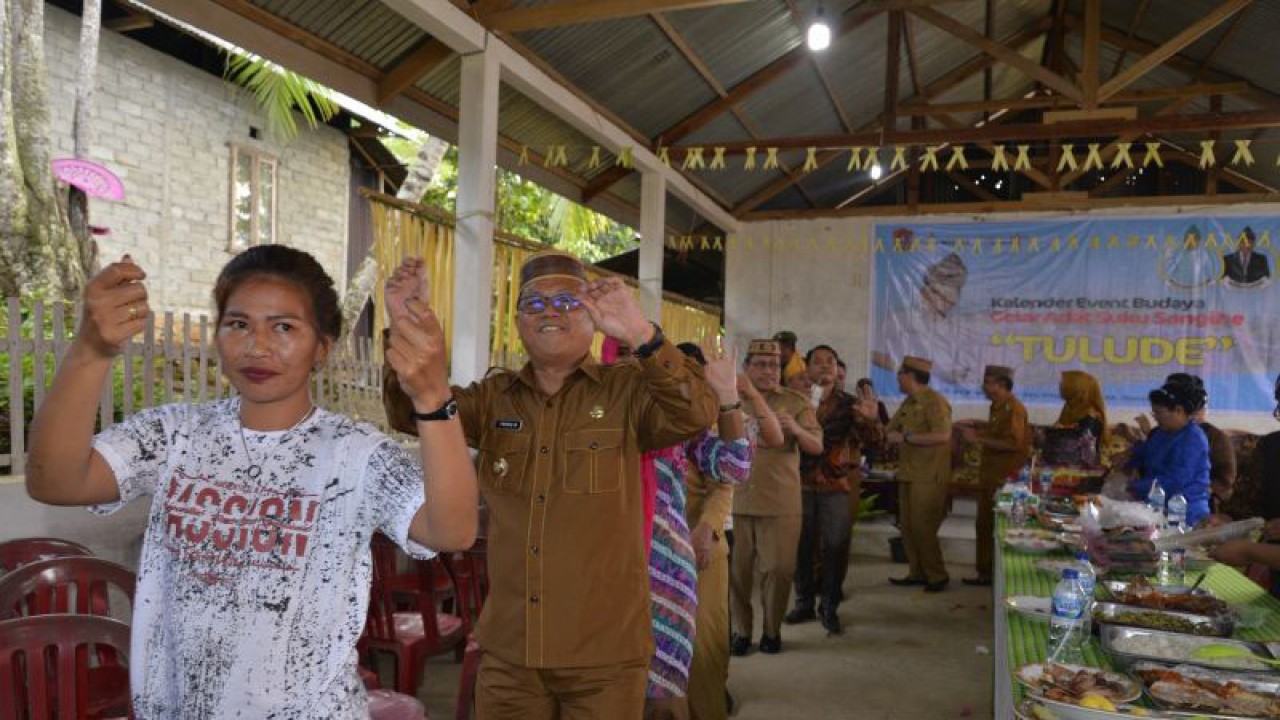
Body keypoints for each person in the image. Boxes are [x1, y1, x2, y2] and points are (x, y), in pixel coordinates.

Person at [24, 246, 478, 718]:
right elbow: (56, 481)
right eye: (238, 324)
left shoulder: (355, 453)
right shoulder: (174, 434)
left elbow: (452, 530)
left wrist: (432, 394)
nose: (258, 345)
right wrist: (91, 351)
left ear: (322, 346)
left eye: (284, 327)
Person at [382, 252, 718, 719]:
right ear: (517, 321)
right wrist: (404, 326)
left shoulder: (628, 392)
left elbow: (697, 412)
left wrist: (641, 332)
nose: (550, 312)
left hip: (605, 655)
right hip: (510, 651)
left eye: (567, 301)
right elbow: (410, 412)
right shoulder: (492, 399)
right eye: (534, 304)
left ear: (594, 319)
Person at [643, 342, 759, 720]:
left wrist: (729, 396)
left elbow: (732, 471)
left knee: (698, 650)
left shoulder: (693, 425)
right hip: (618, 565)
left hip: (684, 558)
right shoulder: (607, 420)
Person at [729, 339, 821, 656]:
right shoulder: (729, 400)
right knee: (738, 574)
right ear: (747, 368)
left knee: (779, 570)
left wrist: (795, 428)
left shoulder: (795, 402)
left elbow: (816, 446)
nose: (769, 371)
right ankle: (741, 631)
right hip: (736, 499)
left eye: (774, 365)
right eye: (761, 364)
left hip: (780, 501)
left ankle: (771, 629)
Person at [785, 345, 883, 635]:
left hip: (835, 485)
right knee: (801, 547)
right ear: (807, 368)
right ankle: (803, 602)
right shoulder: (793, 400)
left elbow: (875, 444)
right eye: (818, 361)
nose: (825, 366)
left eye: (830, 361)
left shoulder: (851, 404)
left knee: (835, 547)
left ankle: (829, 606)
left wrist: (871, 419)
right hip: (798, 484)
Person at [885, 356, 953, 592]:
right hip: (909, 472)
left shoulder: (935, 402)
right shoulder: (909, 403)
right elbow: (889, 430)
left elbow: (943, 435)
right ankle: (917, 572)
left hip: (929, 475)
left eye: (900, 375)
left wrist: (906, 438)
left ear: (909, 376)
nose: (898, 379)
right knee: (907, 526)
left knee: (923, 527)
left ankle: (937, 575)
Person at [958, 366, 1031, 586]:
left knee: (993, 526)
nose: (984, 387)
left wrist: (977, 439)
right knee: (984, 525)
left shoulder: (1014, 408)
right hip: (990, 475)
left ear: (1001, 385)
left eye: (988, 382)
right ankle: (985, 573)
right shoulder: (998, 407)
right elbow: (999, 432)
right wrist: (981, 426)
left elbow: (1013, 442)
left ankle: (991, 575)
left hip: (1004, 478)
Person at [1126, 381, 1212, 526]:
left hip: (1184, 512)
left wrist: (1134, 486)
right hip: (1155, 505)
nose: (1155, 417)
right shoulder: (1162, 433)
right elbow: (1145, 453)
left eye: (1159, 412)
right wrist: (1130, 461)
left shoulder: (1193, 439)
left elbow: (1176, 480)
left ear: (1178, 411)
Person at [1160, 373, 1236, 512]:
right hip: (1156, 501)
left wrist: (1205, 489)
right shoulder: (1159, 433)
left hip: (1195, 505)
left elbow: (1225, 482)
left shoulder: (1216, 438)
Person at [1053, 370, 1109, 465]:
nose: (1060, 384)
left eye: (1064, 382)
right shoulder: (1069, 408)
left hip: (1083, 468)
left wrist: (1058, 432)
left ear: (1075, 388)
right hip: (1065, 463)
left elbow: (1084, 450)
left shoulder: (1091, 416)